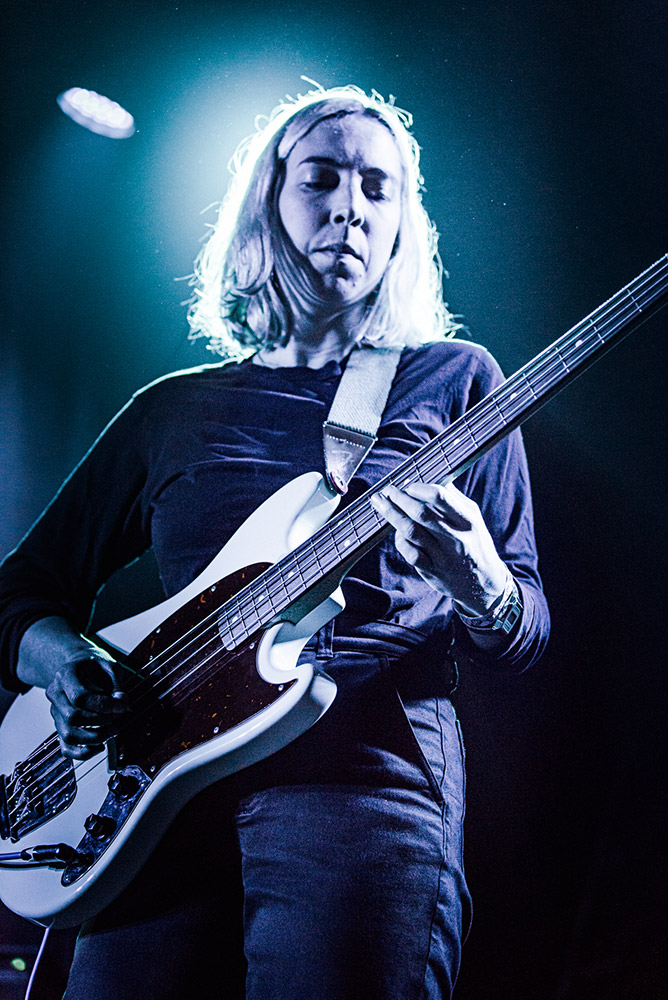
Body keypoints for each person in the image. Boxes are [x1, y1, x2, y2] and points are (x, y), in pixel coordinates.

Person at [0, 84, 549, 998]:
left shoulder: (455, 381)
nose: (349, 207)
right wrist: (59, 662)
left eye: (379, 188)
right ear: (270, 201)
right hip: (148, 804)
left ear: (406, 221)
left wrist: (480, 579)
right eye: (322, 179)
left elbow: (524, 625)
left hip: (358, 782)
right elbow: (25, 587)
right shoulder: (171, 410)